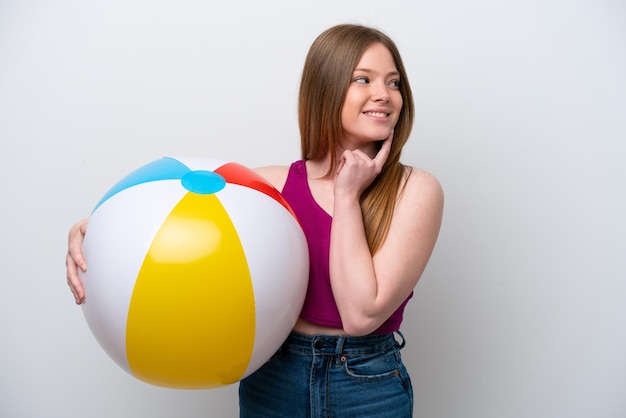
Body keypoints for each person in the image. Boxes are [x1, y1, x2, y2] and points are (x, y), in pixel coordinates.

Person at [66, 23, 443, 417]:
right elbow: (172, 214)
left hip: (367, 385)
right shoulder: (271, 187)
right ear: (325, 87)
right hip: (274, 378)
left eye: (394, 82)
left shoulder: (415, 191)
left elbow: (360, 314)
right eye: (362, 79)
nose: (384, 94)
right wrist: (89, 232)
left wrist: (347, 195)